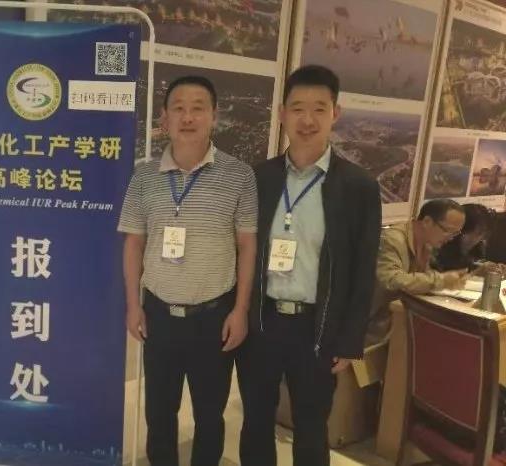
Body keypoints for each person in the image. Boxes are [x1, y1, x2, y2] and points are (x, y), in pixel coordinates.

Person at [237, 65, 381, 466]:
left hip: (317, 328)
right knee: (256, 421)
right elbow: (241, 253)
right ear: (282, 113)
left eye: (319, 108)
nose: (307, 120)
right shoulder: (260, 178)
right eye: (298, 108)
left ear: (336, 113)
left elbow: (363, 269)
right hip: (262, 323)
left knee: (312, 427)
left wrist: (350, 340)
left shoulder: (358, 187)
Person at [118, 75, 258, 466]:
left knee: (209, 416)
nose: (188, 117)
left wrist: (241, 310)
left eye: (198, 108)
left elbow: (247, 246)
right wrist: (134, 305)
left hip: (213, 317)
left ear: (214, 116)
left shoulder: (239, 175)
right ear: (164, 118)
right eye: (178, 108)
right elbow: (133, 244)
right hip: (159, 315)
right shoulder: (144, 176)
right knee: (159, 413)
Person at [366, 199, 467, 346]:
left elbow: (418, 281)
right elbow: (390, 280)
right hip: (371, 328)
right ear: (427, 221)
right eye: (447, 230)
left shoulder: (427, 243)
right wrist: (440, 281)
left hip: (397, 323)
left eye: (455, 233)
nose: (451, 238)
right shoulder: (392, 240)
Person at [434, 203, 500, 274]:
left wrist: (492, 268)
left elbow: (474, 264)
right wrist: (477, 272)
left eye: (484, 233)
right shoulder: (440, 252)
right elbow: (448, 278)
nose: (480, 239)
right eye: (479, 233)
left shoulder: (475, 250)